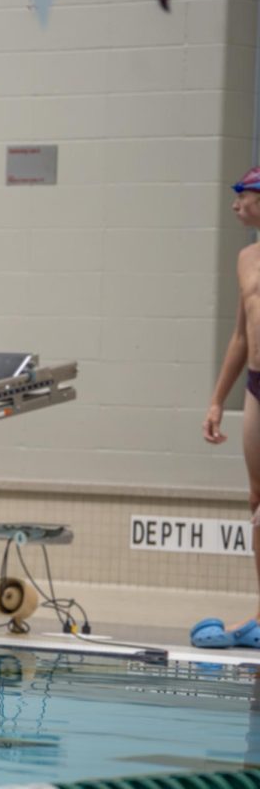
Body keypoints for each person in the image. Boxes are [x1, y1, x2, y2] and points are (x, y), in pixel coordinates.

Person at [200, 166, 260, 645]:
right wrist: (218, 399)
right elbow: (241, 335)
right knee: (258, 502)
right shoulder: (245, 258)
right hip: (256, 386)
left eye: (242, 195)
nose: (235, 205)